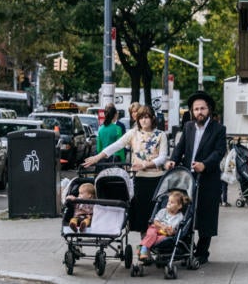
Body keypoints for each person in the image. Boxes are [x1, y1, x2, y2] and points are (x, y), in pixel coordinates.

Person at [84, 105, 168, 233]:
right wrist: (97, 157)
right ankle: (144, 245)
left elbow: (162, 158)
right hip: (140, 179)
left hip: (157, 179)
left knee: (155, 214)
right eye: (141, 118)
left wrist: (145, 165)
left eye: (146, 117)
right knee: (142, 216)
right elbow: (116, 146)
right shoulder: (133, 133)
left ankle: (151, 244)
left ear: (153, 118)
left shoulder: (161, 135)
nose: (144, 120)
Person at [166, 90, 226, 265]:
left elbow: (219, 152)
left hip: (208, 178)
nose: (199, 112)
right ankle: (184, 247)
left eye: (203, 108)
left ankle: (202, 252)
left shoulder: (219, 129)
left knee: (206, 215)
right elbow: (180, 147)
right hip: (188, 177)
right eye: (196, 109)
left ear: (209, 110)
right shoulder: (188, 127)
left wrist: (205, 164)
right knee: (184, 212)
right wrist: (172, 160)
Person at [138, 190, 190, 259]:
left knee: (161, 240)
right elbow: (155, 221)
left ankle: (140, 247)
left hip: (164, 234)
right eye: (168, 201)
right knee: (152, 234)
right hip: (155, 228)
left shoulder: (180, 217)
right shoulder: (163, 211)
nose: (168, 203)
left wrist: (172, 231)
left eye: (172, 202)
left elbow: (177, 230)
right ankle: (143, 250)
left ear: (179, 206)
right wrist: (162, 226)